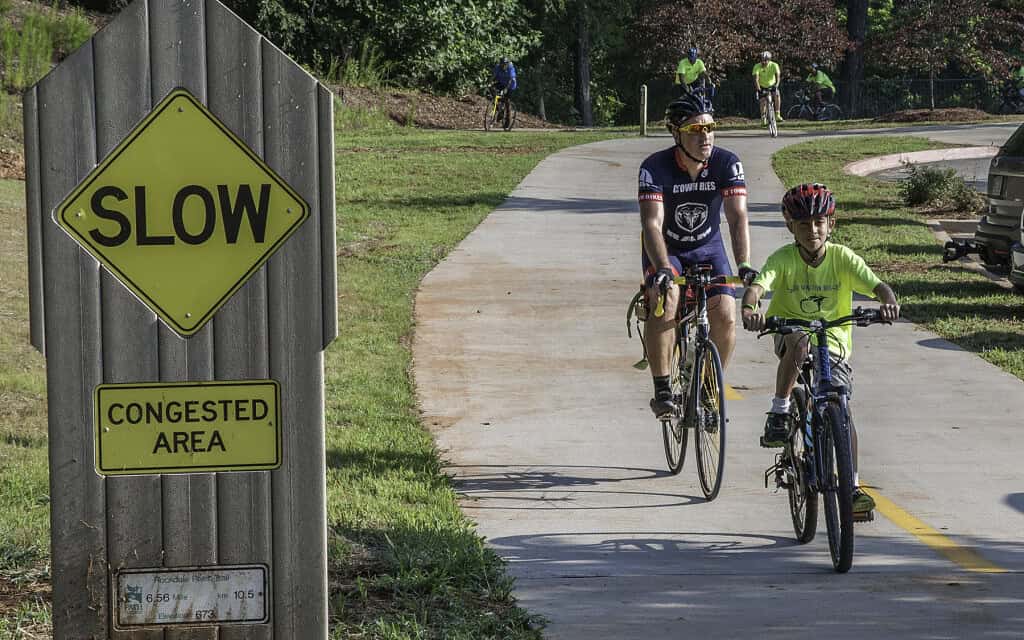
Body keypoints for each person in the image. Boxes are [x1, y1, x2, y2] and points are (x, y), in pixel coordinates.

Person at [740, 183, 900, 517]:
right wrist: (750, 309)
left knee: (841, 408)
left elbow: (877, 285)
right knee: (800, 341)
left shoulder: (842, 257)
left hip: (834, 340)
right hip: (790, 331)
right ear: (790, 227)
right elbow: (758, 286)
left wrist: (888, 302)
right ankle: (781, 410)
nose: (812, 230)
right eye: (803, 225)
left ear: (831, 224)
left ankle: (852, 487)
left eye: (818, 223)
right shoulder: (783, 259)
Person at [638, 92, 755, 418]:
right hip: (667, 249)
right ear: (676, 134)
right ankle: (663, 389)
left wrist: (743, 264)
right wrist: (662, 268)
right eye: (695, 130)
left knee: (726, 314)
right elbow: (652, 223)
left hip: (708, 246)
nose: (705, 137)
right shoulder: (654, 167)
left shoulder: (727, 162)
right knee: (667, 299)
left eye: (710, 128)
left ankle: (708, 386)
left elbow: (737, 217)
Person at [752, 51, 783, 125]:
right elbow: (756, 79)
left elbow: (778, 77)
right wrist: (759, 90)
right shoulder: (757, 66)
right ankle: (763, 118)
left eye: (765, 60)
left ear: (769, 60)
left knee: (777, 94)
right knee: (762, 100)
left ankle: (777, 114)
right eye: (762, 60)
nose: (764, 62)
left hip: (772, 85)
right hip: (762, 86)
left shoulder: (774, 65)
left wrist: (777, 85)